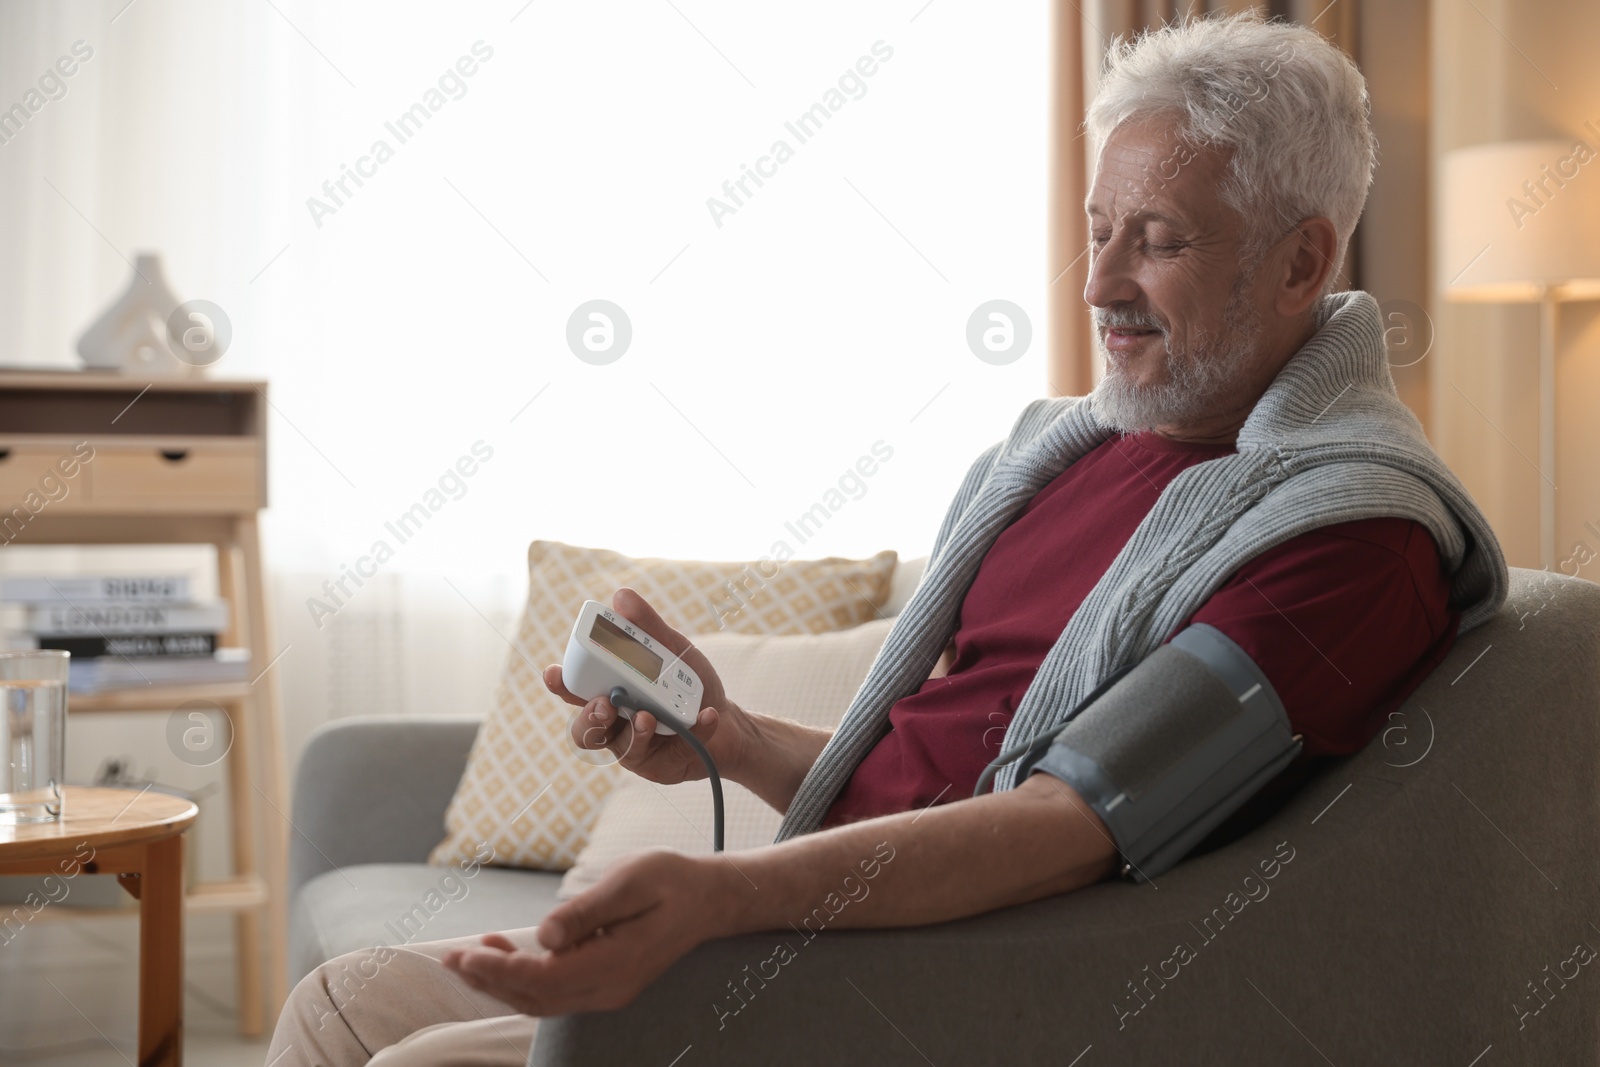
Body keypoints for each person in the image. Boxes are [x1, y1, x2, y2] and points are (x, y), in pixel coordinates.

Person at [266, 13, 1505, 1065]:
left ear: (1301, 262)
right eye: (1097, 229)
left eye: (1159, 239)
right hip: (844, 919)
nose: (1097, 284)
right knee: (341, 1002)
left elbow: (1072, 819)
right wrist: (731, 735)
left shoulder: (1346, 539)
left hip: (950, 981)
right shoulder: (1075, 447)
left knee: (380, 1032)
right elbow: (936, 754)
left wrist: (718, 897)